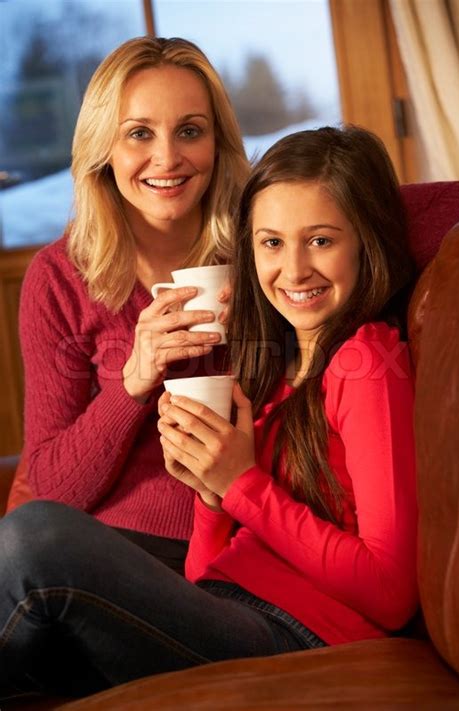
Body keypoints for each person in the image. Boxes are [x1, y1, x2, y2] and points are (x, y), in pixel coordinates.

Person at [0, 126, 418, 699]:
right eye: (271, 243)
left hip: (301, 634)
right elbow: (202, 573)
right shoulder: (278, 366)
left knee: (35, 538)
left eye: (320, 240)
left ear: (368, 241)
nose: (293, 271)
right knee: (38, 645)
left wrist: (242, 484)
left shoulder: (366, 362)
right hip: (226, 604)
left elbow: (391, 593)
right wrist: (209, 495)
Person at [17, 36, 249, 571]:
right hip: (109, 555)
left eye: (190, 131)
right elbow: (51, 488)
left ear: (217, 143)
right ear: (105, 148)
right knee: (26, 542)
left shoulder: (268, 254)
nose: (167, 158)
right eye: (139, 134)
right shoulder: (59, 278)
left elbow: (428, 209)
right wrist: (132, 381)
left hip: (241, 546)